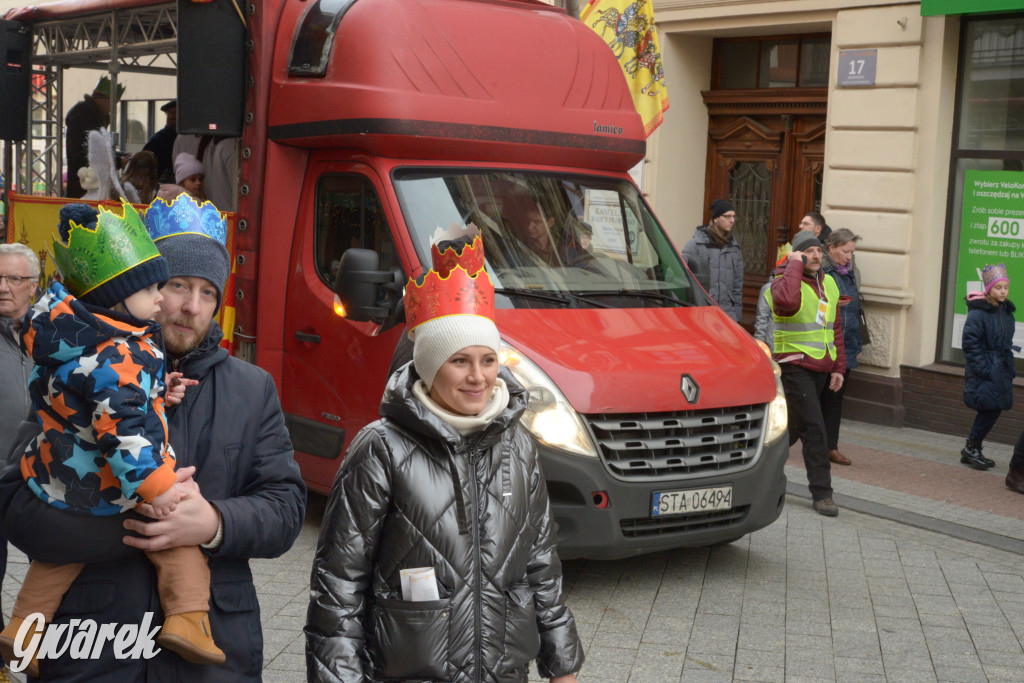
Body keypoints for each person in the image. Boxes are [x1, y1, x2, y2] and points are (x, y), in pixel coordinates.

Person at [0, 193, 306, 680]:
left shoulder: (253, 389)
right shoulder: (77, 374)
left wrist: (213, 523)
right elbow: (17, 500)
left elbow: (286, 509)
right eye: (177, 284)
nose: (189, 306)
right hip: (93, 649)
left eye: (208, 292)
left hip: (213, 657)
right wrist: (120, 526)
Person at [306, 234, 584, 683]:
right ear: (431, 366)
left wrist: (562, 666)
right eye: (459, 362)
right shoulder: (380, 448)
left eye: (488, 360)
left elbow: (540, 564)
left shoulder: (518, 445)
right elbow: (339, 584)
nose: (478, 377)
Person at [766, 230, 845, 517]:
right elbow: (787, 303)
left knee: (791, 430)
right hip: (793, 365)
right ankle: (822, 493)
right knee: (815, 429)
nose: (816, 256)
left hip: (821, 368)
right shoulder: (782, 281)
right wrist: (793, 265)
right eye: (808, 251)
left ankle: (757, 470)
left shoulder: (829, 284)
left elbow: (834, 328)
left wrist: (838, 368)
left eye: (819, 251)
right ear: (797, 255)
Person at [0, 242, 39, 683]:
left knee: (47, 575)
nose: (3, 287)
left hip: (43, 479)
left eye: (14, 278)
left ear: (33, 285)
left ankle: (42, 661)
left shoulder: (51, 333)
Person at [959, 264, 1016, 471]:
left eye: (1005, 287)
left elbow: (1006, 343)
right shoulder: (978, 313)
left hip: (1000, 369)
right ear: (989, 289)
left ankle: (972, 448)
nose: (1003, 291)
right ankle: (972, 448)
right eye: (998, 288)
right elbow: (970, 344)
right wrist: (985, 369)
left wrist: (1008, 367)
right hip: (986, 370)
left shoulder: (1006, 312)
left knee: (992, 408)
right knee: (989, 409)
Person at [820, 228, 864, 467]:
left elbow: (856, 313)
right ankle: (809, 443)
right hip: (824, 344)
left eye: (852, 252)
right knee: (817, 396)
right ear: (832, 248)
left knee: (836, 399)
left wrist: (856, 345)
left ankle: (831, 447)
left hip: (846, 344)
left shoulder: (850, 274)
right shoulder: (822, 272)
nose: (849, 257)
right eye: (846, 251)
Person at [682, 198, 743, 322]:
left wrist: (737, 317)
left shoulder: (734, 248)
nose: (732, 220)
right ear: (716, 218)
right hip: (701, 315)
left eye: (733, 217)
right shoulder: (696, 245)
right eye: (727, 216)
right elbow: (682, 279)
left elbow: (737, 286)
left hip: (727, 315)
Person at [65, 76, 123, 198]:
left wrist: (120, 156)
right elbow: (87, 154)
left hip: (88, 186)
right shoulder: (84, 117)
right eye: (113, 102)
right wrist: (118, 161)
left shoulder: (93, 118)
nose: (113, 107)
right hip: (85, 188)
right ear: (101, 99)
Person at [143, 100, 178, 183]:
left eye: (175, 113)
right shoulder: (159, 139)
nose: (172, 116)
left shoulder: (190, 137)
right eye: (170, 113)